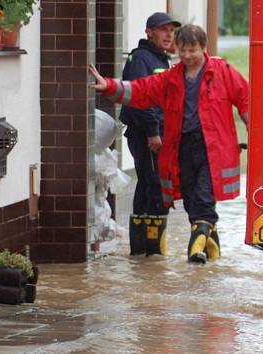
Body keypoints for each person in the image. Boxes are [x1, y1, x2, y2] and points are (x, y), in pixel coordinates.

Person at [90, 24, 249, 263]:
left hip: (211, 149)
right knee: (191, 196)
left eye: (192, 50)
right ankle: (211, 242)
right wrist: (110, 86)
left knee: (204, 196)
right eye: (182, 50)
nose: (186, 56)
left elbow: (246, 99)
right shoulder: (172, 77)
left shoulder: (222, 71)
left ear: (203, 48)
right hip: (182, 148)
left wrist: (254, 130)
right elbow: (143, 90)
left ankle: (195, 249)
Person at [121, 13, 181, 257]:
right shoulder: (142, 59)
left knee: (147, 185)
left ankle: (141, 251)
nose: (169, 35)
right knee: (156, 186)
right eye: (163, 30)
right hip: (147, 135)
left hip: (151, 133)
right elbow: (141, 99)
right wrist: (153, 132)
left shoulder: (158, 59)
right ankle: (154, 252)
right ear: (149, 31)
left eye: (171, 30)